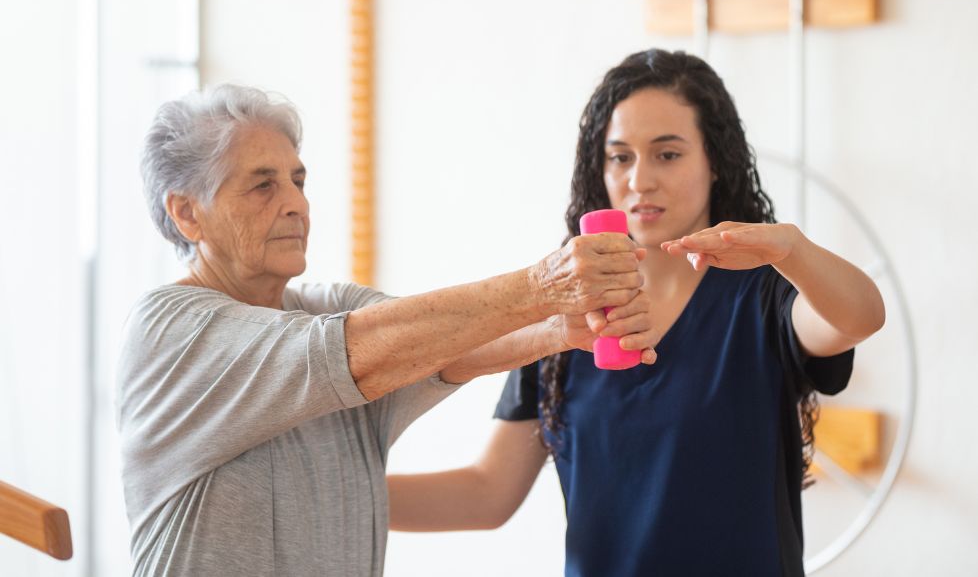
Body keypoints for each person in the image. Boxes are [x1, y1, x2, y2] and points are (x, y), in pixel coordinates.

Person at [116, 84, 659, 577]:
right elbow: (354, 352)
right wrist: (542, 287)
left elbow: (441, 348)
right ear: (188, 214)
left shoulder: (329, 306)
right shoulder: (168, 330)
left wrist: (556, 329)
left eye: (298, 180)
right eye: (263, 186)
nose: (297, 204)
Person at [386, 49, 886, 577]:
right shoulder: (565, 318)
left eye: (667, 154)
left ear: (715, 161)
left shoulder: (762, 297)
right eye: (620, 157)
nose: (639, 180)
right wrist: (334, 491)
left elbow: (858, 317)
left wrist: (790, 248)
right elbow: (488, 493)